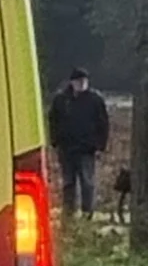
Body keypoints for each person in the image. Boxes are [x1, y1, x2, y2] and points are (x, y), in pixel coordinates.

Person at [45, 69, 109, 219]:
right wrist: (55, 141)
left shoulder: (95, 100)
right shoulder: (60, 100)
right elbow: (53, 121)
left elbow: (103, 124)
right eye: (79, 81)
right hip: (66, 149)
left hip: (87, 149)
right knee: (68, 182)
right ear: (72, 82)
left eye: (84, 81)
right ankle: (68, 212)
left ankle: (87, 212)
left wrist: (100, 145)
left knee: (87, 182)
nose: (82, 84)